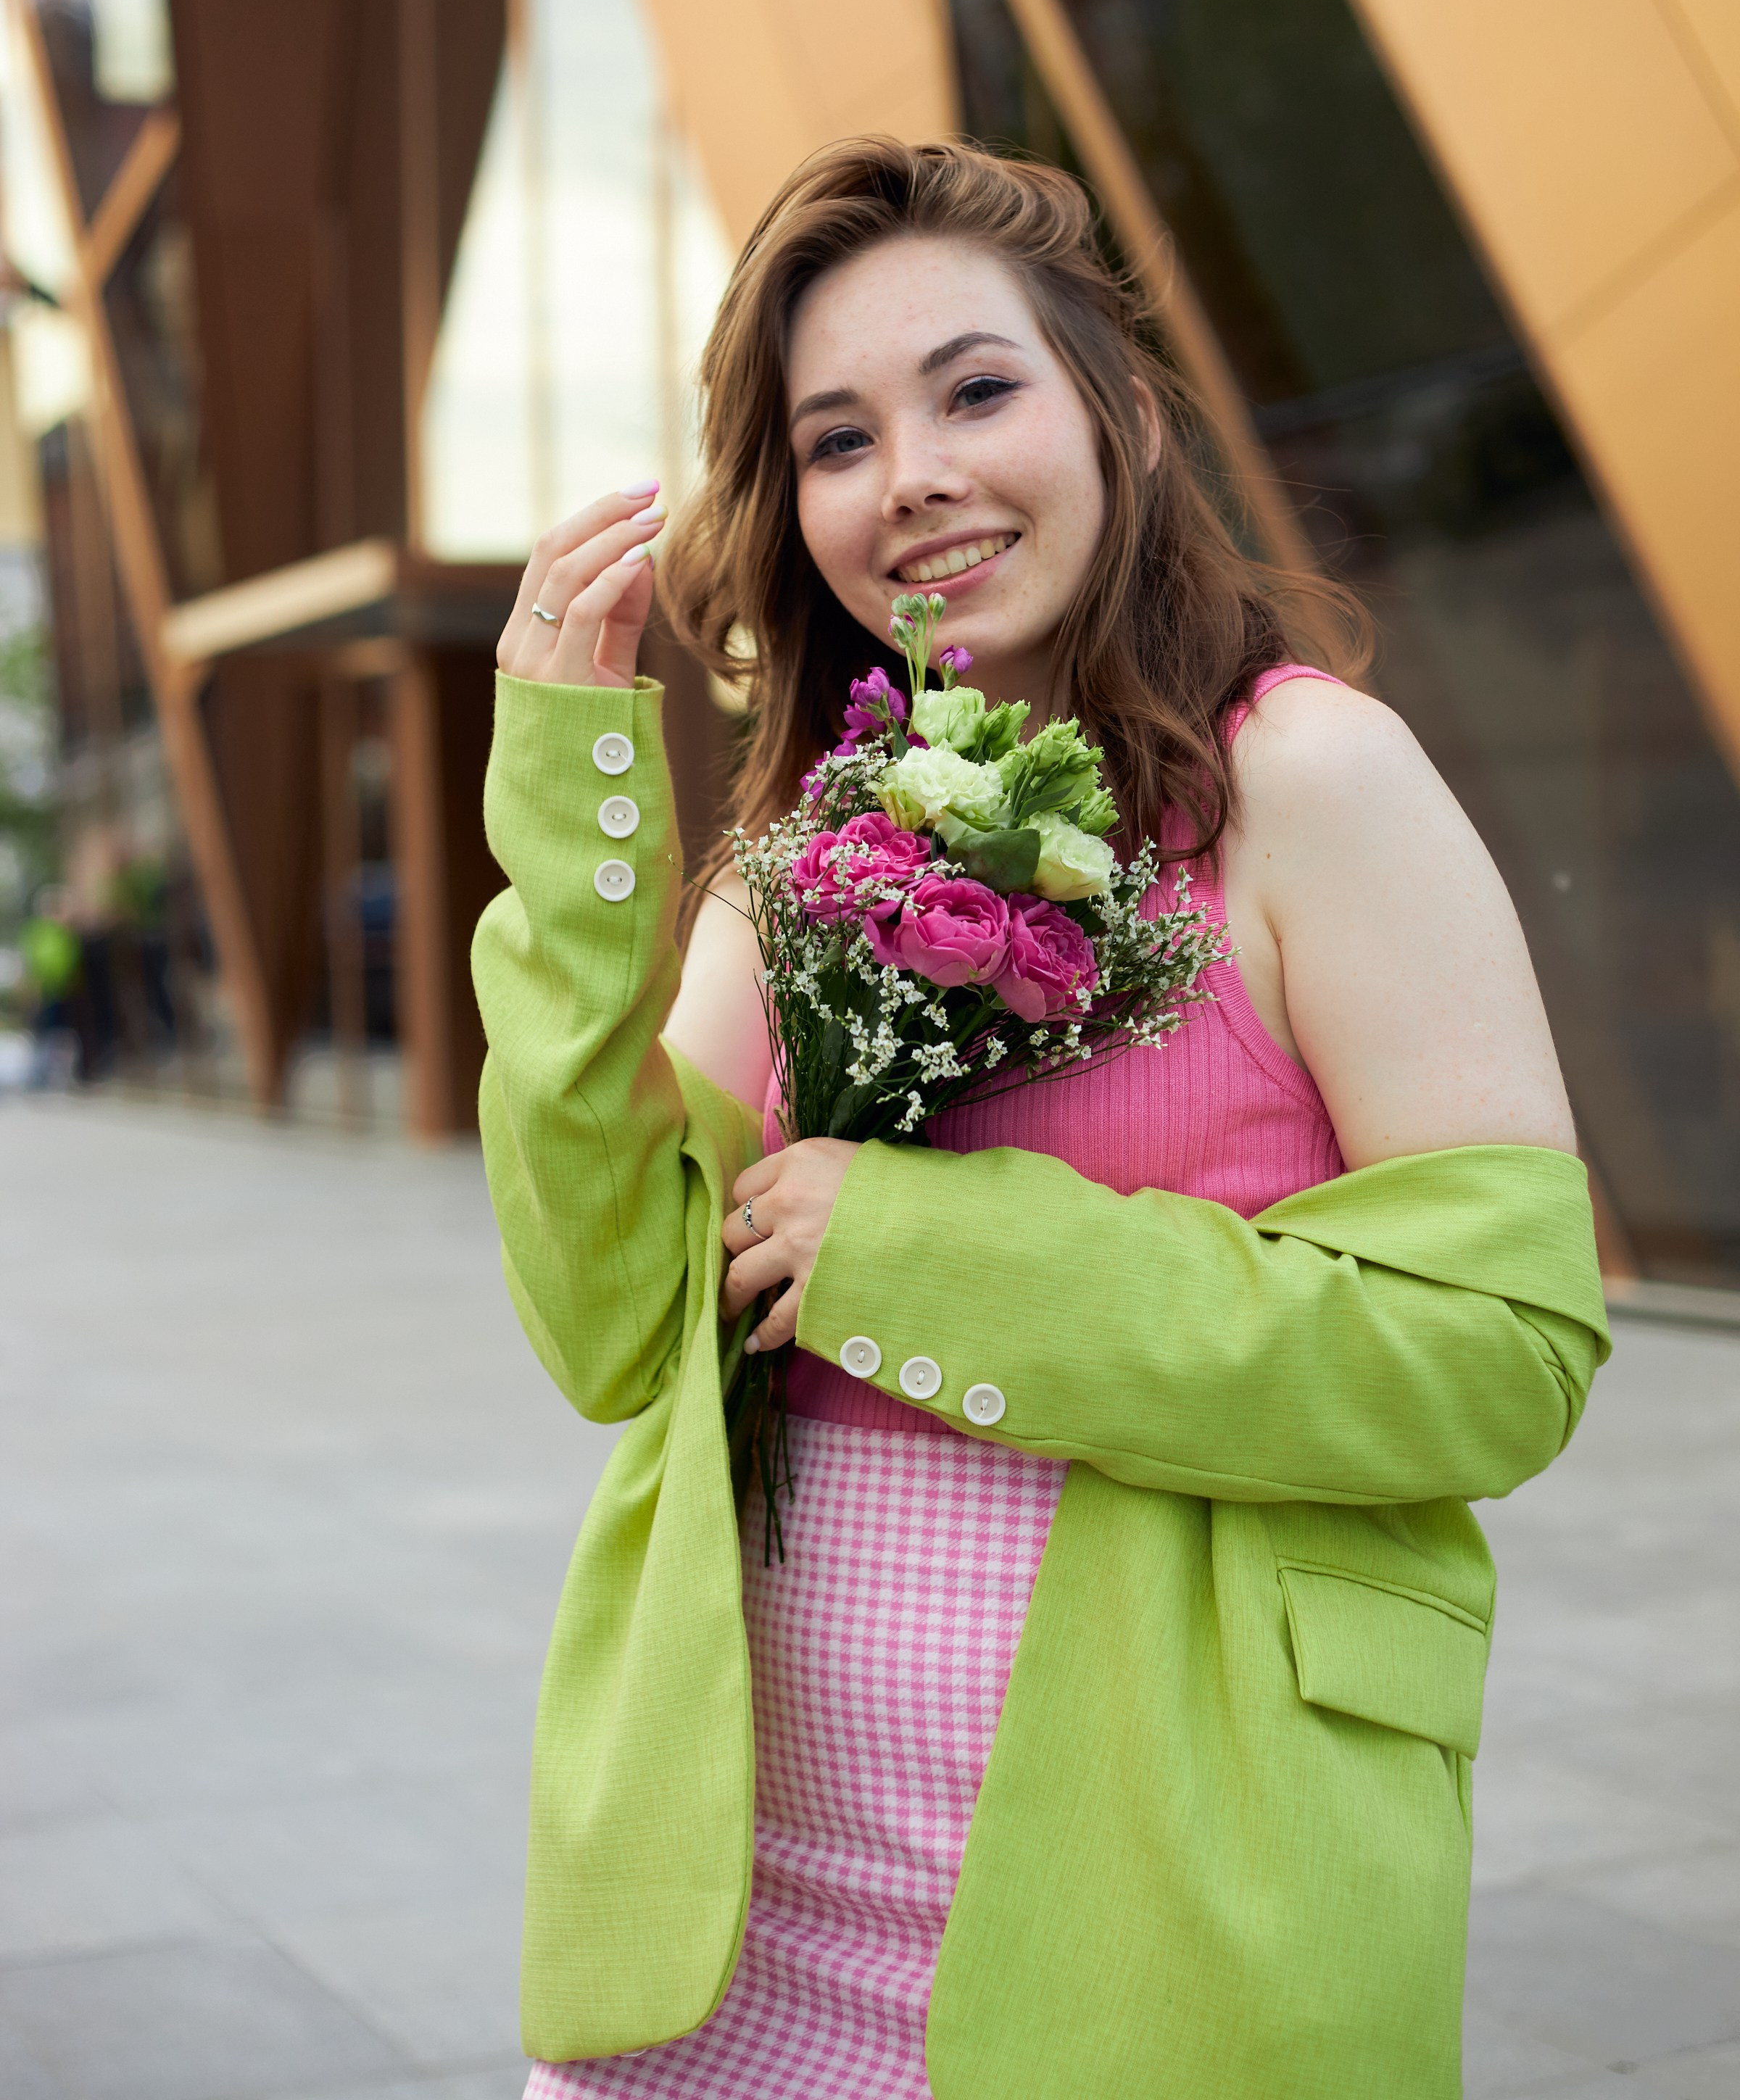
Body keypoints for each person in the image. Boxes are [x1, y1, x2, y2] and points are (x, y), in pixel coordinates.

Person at [474, 139, 1608, 2100]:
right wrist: (575, 819)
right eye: (838, 439)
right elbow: (611, 1327)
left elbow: (1500, 1351)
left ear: (1124, 418)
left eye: (976, 391)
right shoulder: (796, 856)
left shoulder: (1309, 782)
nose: (911, 474)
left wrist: (927, 1255)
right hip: (739, 1902)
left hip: (1166, 1905)